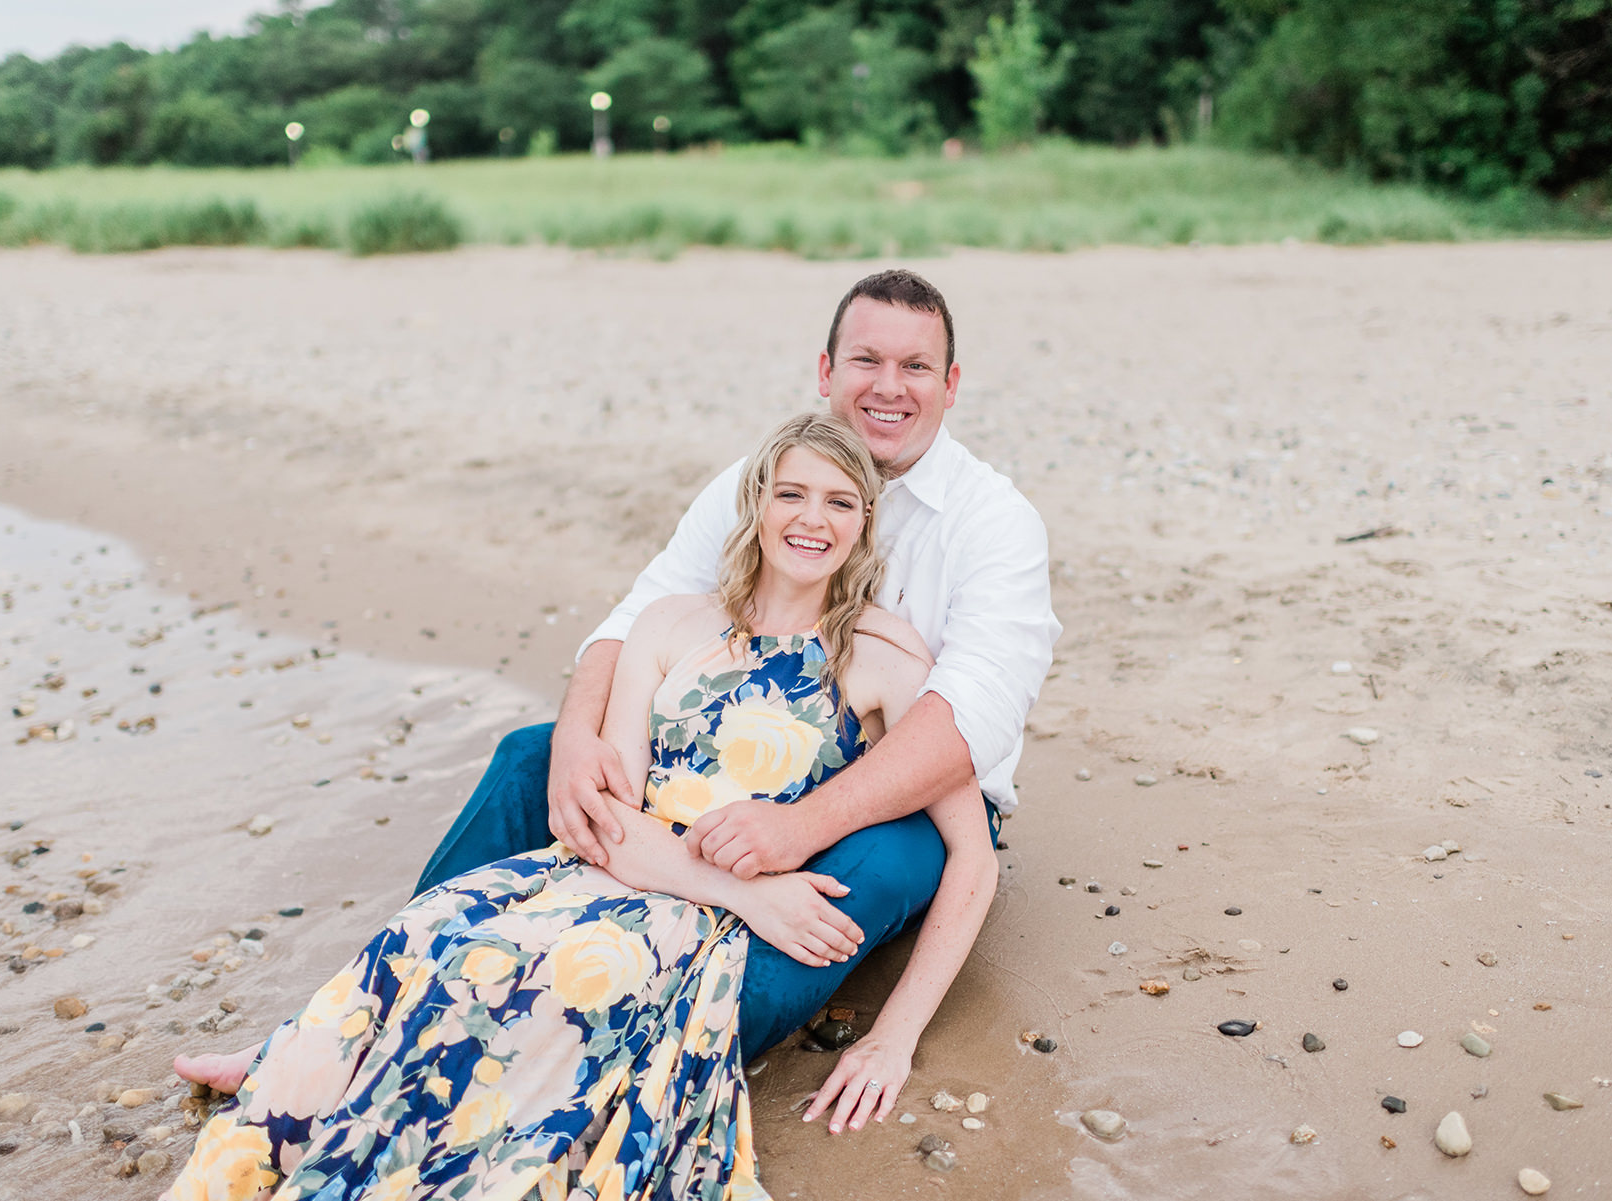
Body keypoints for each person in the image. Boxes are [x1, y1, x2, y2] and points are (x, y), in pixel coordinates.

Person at [178, 267, 1059, 1084]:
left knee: (831, 889)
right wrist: (574, 735)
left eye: (916, 366)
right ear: (826, 369)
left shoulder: (993, 522)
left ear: (950, 385)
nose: (888, 386)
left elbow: (966, 719)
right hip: (729, 761)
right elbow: (637, 615)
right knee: (528, 761)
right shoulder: (756, 485)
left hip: (900, 795)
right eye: (866, 359)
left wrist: (799, 827)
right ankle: (346, 1029)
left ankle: (613, 1058)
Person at [165, 414, 998, 1200]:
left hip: (685, 927)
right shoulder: (672, 626)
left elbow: (974, 855)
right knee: (442, 940)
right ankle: (305, 1097)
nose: (812, 519)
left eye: (839, 501)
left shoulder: (883, 656)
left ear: (863, 523)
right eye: (791, 493)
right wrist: (742, 889)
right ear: (756, 505)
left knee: (557, 992)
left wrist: (894, 1037)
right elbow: (609, 816)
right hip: (622, 872)